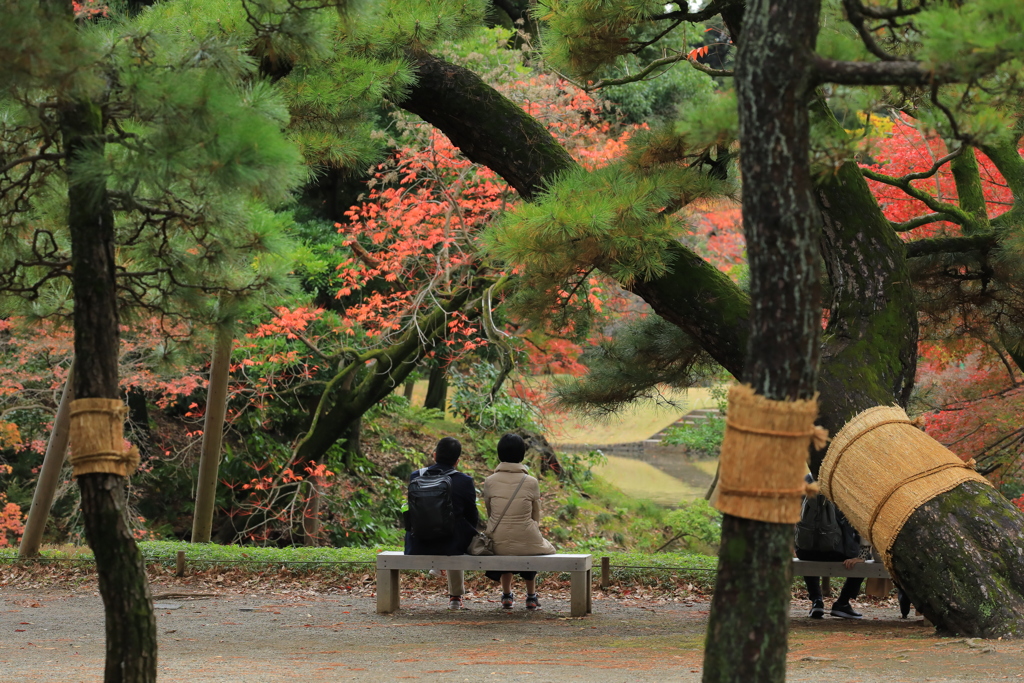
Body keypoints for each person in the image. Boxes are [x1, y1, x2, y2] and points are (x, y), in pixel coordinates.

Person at [481, 433, 555, 611]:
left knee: (506, 543)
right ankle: (531, 596)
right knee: (529, 542)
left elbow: (491, 512)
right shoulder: (531, 482)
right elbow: (535, 516)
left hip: (498, 541)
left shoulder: (489, 482)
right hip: (526, 538)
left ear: (499, 454)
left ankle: (506, 595)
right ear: (522, 455)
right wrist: (531, 528)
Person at [404, 437, 478, 610]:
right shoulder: (465, 481)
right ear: (457, 461)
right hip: (452, 545)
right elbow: (472, 516)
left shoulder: (416, 476)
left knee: (447, 530)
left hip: (418, 543)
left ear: (435, 455)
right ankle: (455, 597)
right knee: (457, 531)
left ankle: (446, 581)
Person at [795, 474, 865, 620]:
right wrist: (862, 556)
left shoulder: (805, 481)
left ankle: (817, 601)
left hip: (806, 553)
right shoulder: (844, 482)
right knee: (864, 560)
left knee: (809, 547)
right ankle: (843, 603)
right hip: (838, 552)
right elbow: (861, 522)